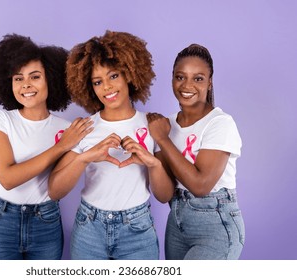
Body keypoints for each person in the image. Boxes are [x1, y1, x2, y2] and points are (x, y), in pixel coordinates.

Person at [48, 30, 175, 260]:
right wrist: (85, 157)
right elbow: (55, 190)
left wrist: (153, 163)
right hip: (89, 229)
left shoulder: (153, 124)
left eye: (113, 76)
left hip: (137, 231)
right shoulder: (84, 128)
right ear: (90, 87)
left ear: (129, 74)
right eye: (98, 82)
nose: (107, 87)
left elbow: (165, 196)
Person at [0, 34, 92, 260]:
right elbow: (7, 178)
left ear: (50, 79)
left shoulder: (67, 129)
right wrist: (61, 146)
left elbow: (58, 187)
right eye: (18, 78)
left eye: (35, 76)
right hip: (2, 220)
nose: (26, 85)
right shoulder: (0, 120)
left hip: (46, 221)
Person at [147, 44, 245, 260]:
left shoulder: (220, 123)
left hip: (215, 225)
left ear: (209, 83)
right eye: (180, 77)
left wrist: (163, 139)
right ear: (172, 79)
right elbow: (164, 195)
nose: (187, 85)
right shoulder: (166, 124)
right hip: (177, 222)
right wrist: (151, 162)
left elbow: (201, 186)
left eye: (198, 78)